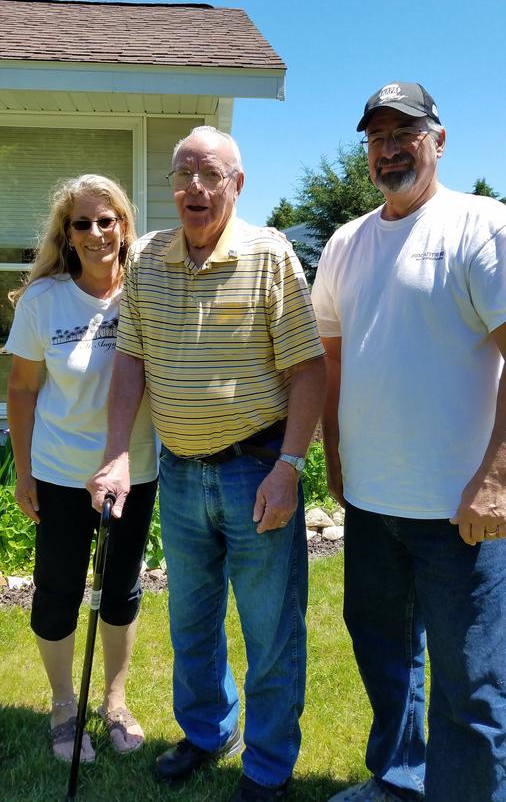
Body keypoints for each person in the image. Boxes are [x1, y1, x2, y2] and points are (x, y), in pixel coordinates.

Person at [87, 126, 326, 802]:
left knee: (270, 631)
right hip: (182, 475)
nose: (195, 186)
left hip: (257, 473)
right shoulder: (149, 260)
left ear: (237, 184)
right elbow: (130, 362)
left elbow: (308, 370)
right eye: (183, 173)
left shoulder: (269, 256)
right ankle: (206, 731)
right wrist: (113, 457)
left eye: (210, 173)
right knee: (191, 620)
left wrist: (289, 466)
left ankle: (270, 766)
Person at [311, 82, 506, 802]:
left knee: (471, 684)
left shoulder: (480, 227)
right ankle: (401, 779)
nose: (390, 149)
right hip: (372, 503)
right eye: (377, 136)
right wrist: (333, 456)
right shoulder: (345, 243)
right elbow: (333, 360)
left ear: (440, 141)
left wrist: (498, 478)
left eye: (406, 133)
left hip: (462, 510)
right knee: (386, 656)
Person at [6, 175, 158, 763]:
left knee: (119, 590)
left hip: (133, 470)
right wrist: (23, 473)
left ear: (123, 224)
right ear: (66, 235)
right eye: (81, 224)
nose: (96, 233)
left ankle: (114, 702)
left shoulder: (147, 292)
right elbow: (21, 390)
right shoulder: (45, 301)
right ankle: (65, 707)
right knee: (58, 593)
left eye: (106, 220)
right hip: (61, 474)